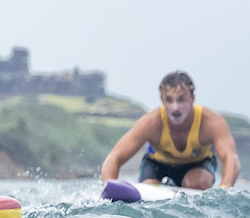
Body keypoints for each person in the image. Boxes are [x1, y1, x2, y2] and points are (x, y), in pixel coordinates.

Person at [100, 71, 239, 190]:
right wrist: (108, 190)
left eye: (181, 100)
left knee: (197, 183)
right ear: (162, 100)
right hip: (158, 164)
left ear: (192, 99)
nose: (175, 108)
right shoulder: (150, 123)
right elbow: (114, 157)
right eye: (169, 100)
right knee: (149, 186)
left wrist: (224, 190)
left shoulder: (211, 122)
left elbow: (231, 158)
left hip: (198, 164)